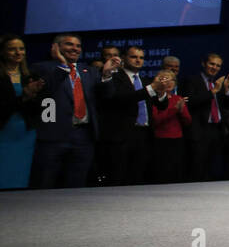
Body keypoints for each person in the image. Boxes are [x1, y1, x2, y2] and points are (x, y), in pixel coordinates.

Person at [29, 34, 105, 188]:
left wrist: (108, 76)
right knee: (45, 184)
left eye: (78, 46)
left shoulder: (89, 71)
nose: (75, 48)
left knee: (76, 186)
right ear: (56, 47)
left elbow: (106, 96)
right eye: (69, 44)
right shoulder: (41, 67)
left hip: (83, 136)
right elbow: (46, 90)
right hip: (53, 136)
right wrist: (63, 65)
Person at [98, 45, 168, 185]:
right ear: (124, 58)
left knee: (138, 176)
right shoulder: (116, 78)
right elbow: (123, 99)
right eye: (134, 57)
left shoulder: (146, 81)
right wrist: (151, 88)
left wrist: (161, 93)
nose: (138, 60)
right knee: (118, 176)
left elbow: (161, 105)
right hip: (122, 135)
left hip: (144, 135)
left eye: (141, 57)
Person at [0, 35, 44, 189]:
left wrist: (32, 96)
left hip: (25, 133)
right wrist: (24, 96)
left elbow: (39, 108)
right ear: (3, 52)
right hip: (4, 130)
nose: (18, 52)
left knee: (20, 176)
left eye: (21, 49)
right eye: (12, 49)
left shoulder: (29, 76)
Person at [183, 53, 229, 181]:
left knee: (211, 168)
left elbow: (228, 106)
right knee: (196, 168)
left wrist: (226, 88)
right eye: (212, 64)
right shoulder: (192, 80)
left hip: (216, 130)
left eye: (218, 65)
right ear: (204, 64)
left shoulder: (219, 84)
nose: (215, 67)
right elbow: (189, 102)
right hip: (199, 130)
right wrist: (212, 92)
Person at [149, 69, 190, 184]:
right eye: (165, 79)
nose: (169, 82)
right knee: (161, 171)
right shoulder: (153, 99)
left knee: (176, 171)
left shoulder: (178, 99)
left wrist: (181, 111)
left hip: (177, 139)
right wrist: (174, 110)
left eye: (172, 80)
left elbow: (187, 121)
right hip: (159, 140)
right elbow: (156, 120)